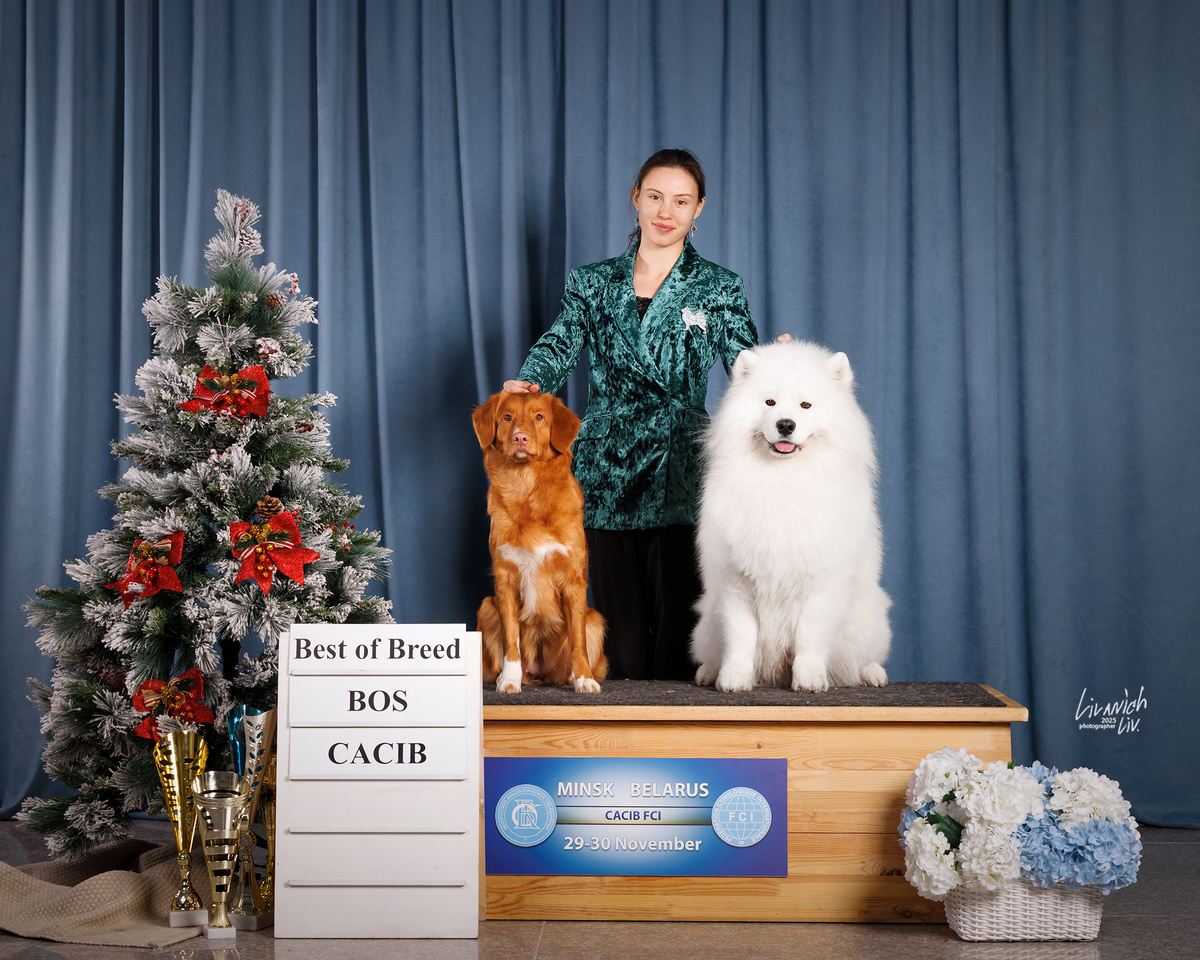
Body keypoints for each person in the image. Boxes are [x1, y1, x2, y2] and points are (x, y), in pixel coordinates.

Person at [503, 148, 762, 681]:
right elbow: (560, 341)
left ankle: (684, 756)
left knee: (680, 636)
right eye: (655, 197)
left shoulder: (720, 286)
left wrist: (778, 371)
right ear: (636, 200)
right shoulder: (591, 283)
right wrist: (533, 380)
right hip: (607, 468)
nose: (666, 211)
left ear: (699, 210)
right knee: (619, 643)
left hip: (682, 473)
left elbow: (748, 368)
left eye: (681, 201)